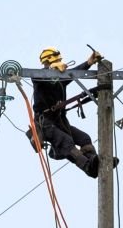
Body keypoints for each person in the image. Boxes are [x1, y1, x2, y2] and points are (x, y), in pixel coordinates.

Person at [31, 47, 102, 178]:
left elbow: (73, 73)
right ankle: (87, 167)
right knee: (66, 141)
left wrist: (88, 63)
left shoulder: (60, 79)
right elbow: (38, 77)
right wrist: (53, 71)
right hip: (44, 123)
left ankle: (95, 163)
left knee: (84, 138)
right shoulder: (39, 76)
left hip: (59, 121)